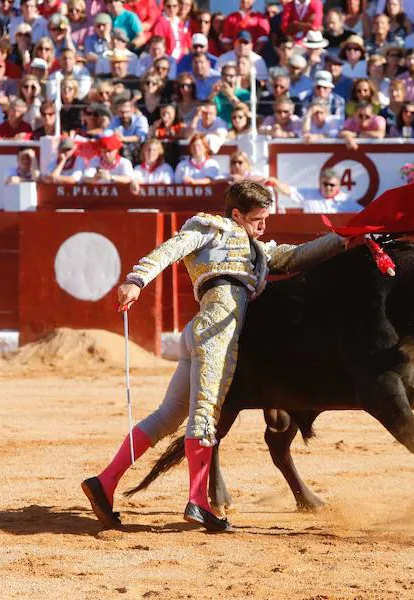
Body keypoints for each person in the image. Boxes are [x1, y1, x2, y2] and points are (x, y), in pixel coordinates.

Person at [82, 180, 346, 531]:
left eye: (265, 219)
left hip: (204, 329)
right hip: (216, 327)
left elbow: (295, 256)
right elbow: (170, 250)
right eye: (257, 219)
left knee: (167, 417)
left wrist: (343, 239)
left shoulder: (257, 250)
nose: (263, 226)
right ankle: (198, 501)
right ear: (236, 214)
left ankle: (105, 482)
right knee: (205, 413)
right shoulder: (210, 228)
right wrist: (136, 280)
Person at [288, 168, 364, 213]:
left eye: (332, 185)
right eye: (325, 184)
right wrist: (275, 181)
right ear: (319, 183)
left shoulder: (346, 199)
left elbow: (363, 214)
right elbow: (287, 190)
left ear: (338, 185)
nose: (328, 187)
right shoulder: (308, 194)